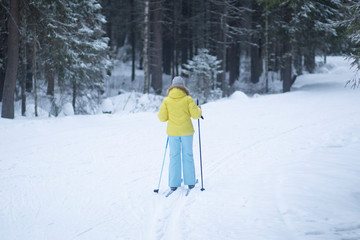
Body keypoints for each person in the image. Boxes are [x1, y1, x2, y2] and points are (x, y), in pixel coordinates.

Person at [158, 76, 202, 191]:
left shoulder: (167, 100)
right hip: (187, 132)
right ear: (183, 87)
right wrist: (199, 109)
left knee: (174, 156)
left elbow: (162, 118)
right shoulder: (188, 99)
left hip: (173, 133)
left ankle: (173, 183)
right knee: (188, 155)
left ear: (172, 87)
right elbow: (196, 115)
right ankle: (190, 182)